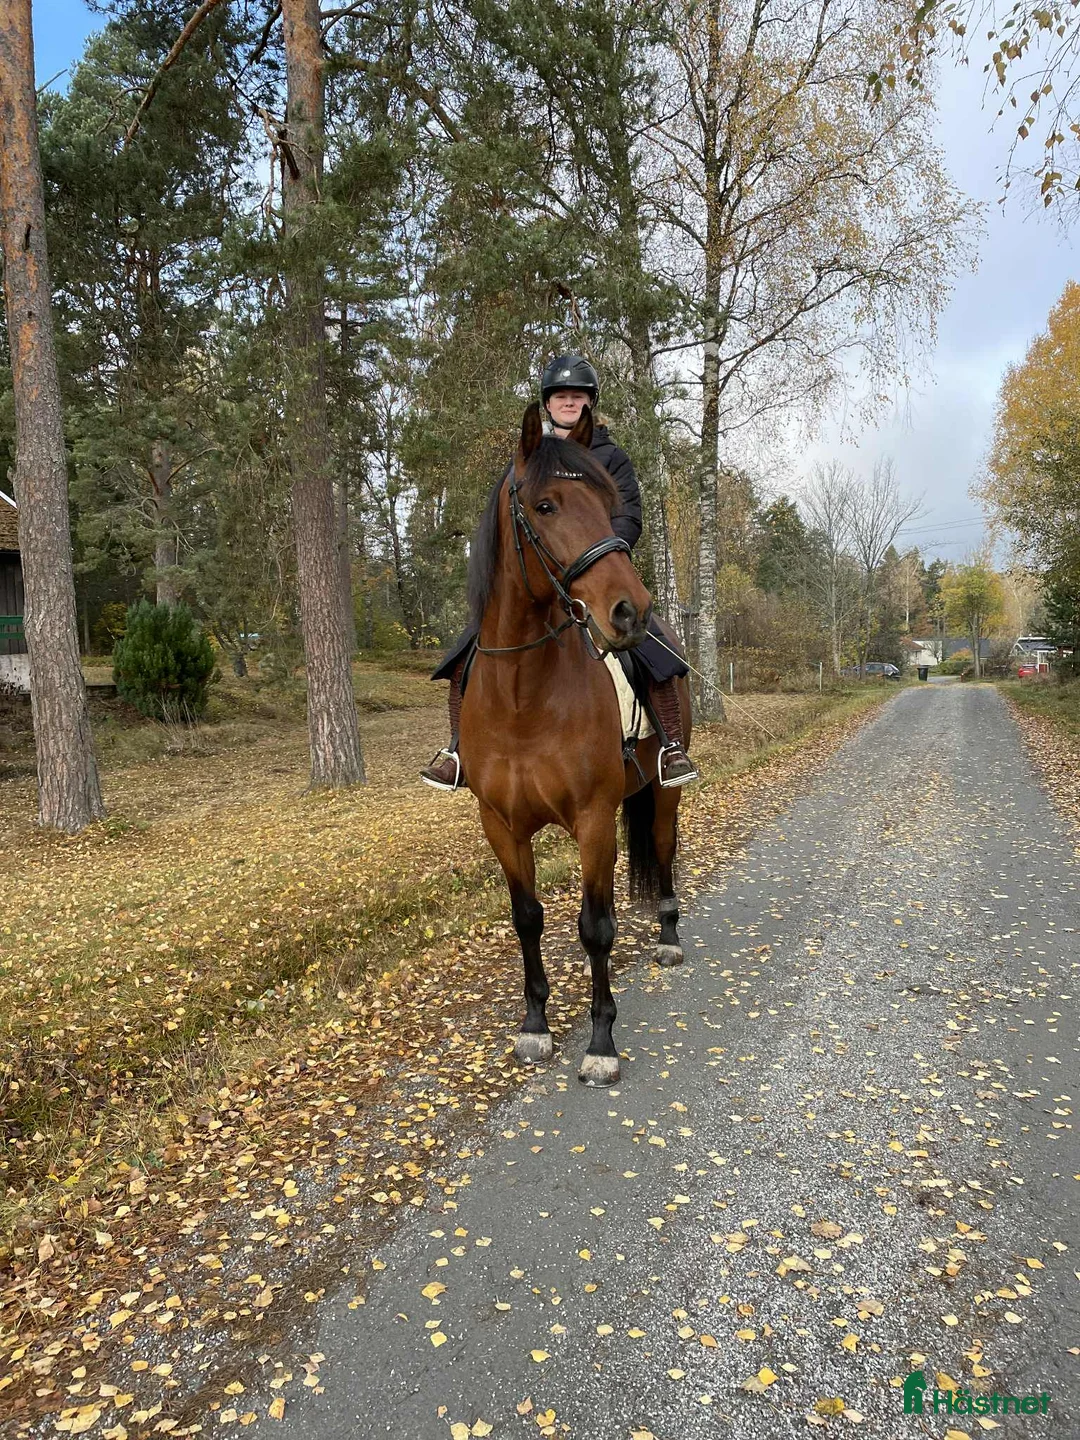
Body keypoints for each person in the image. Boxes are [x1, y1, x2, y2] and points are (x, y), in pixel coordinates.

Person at [420, 354, 698, 791]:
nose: (570, 402)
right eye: (561, 396)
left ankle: (670, 746)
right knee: (465, 654)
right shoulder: (528, 458)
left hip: (596, 571)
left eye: (578, 396)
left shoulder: (609, 456)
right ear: (547, 404)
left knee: (654, 647)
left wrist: (597, 555)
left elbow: (629, 517)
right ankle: (458, 750)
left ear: (590, 403)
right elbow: (505, 522)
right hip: (538, 577)